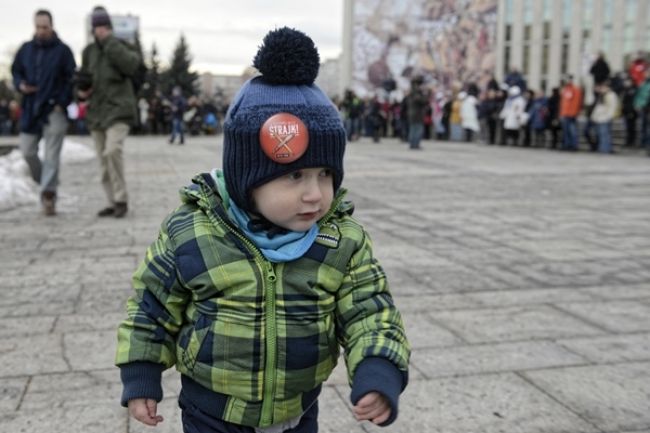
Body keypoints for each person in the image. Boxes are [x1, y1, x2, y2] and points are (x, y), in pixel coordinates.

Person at [115, 27, 410, 433]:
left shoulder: (341, 241)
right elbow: (152, 306)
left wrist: (379, 369)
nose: (315, 195)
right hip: (211, 412)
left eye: (325, 174)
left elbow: (371, 311)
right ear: (247, 179)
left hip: (299, 409)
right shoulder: (194, 232)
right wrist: (140, 372)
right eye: (294, 176)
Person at [11, 9, 75, 216]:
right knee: (27, 151)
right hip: (31, 108)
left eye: (45, 27)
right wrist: (21, 85)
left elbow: (71, 79)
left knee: (51, 155)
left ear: (52, 26)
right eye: (38, 27)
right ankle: (48, 181)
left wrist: (61, 102)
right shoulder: (26, 50)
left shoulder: (63, 51)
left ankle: (48, 195)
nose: (41, 31)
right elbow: (16, 71)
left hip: (54, 108)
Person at [78, 6, 141, 218]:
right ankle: (112, 201)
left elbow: (131, 66)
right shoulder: (88, 52)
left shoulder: (120, 46)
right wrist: (80, 90)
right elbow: (83, 77)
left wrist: (109, 43)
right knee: (103, 162)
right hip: (97, 111)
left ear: (110, 27)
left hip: (119, 109)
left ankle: (121, 199)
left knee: (112, 150)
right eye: (97, 26)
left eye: (104, 26)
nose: (100, 30)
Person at [559, 75, 583, 151]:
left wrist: (574, 112)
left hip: (571, 114)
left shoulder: (575, 90)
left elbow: (577, 102)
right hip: (565, 113)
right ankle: (567, 145)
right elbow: (563, 103)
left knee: (572, 131)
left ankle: (573, 145)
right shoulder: (565, 89)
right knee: (566, 131)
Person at [406, 76, 429, 149]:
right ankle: (415, 144)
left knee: (414, 129)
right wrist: (427, 95)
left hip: (413, 113)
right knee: (418, 129)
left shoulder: (412, 91)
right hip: (417, 114)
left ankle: (413, 144)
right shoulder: (416, 92)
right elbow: (421, 101)